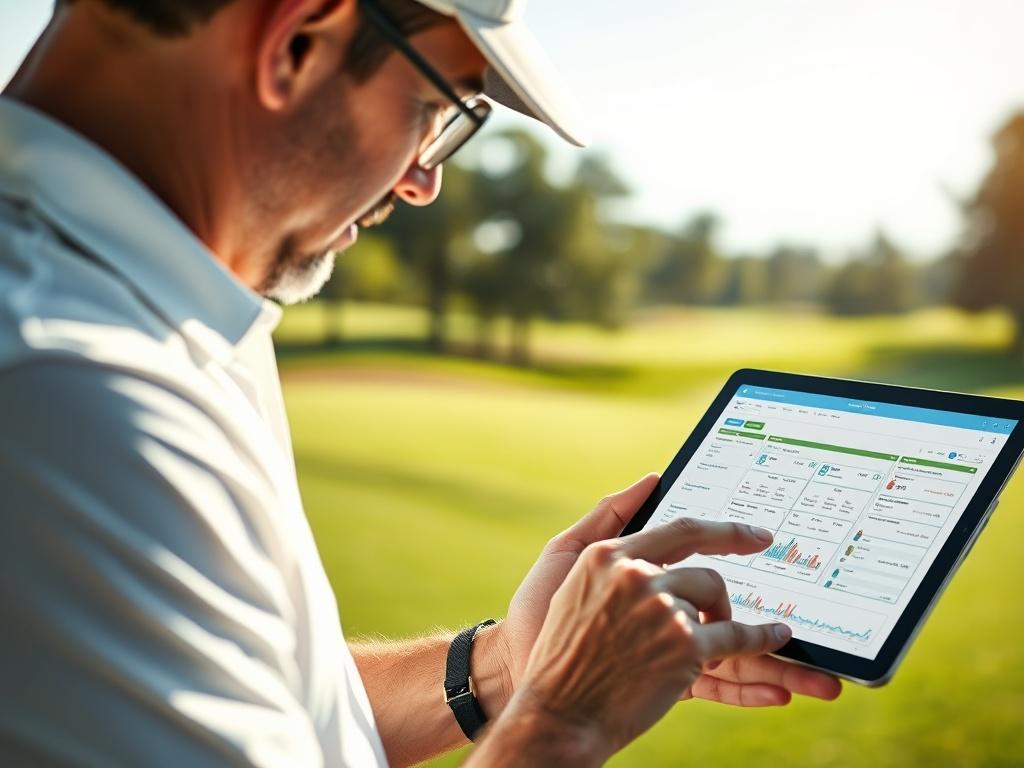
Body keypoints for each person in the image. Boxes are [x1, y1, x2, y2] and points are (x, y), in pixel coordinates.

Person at [0, 0, 842, 765]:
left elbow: (268, 711)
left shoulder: (165, 310)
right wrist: (565, 718)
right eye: (435, 109)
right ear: (295, 40)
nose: (423, 180)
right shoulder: (65, 390)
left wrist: (509, 668)